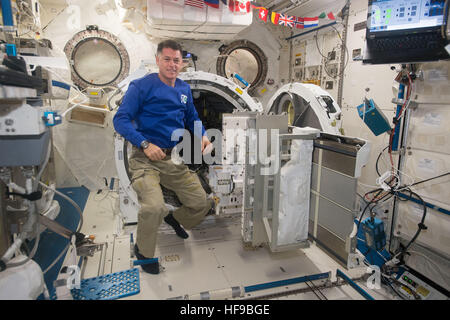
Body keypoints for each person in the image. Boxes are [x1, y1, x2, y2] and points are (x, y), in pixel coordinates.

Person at [113, 40, 214, 274]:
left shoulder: (183, 89)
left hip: (171, 159)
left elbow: (192, 118)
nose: (172, 64)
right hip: (145, 158)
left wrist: (202, 135)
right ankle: (144, 252)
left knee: (201, 203)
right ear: (157, 60)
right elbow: (120, 120)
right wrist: (144, 144)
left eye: (176, 60)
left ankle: (176, 218)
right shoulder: (141, 86)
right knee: (154, 207)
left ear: (182, 63)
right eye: (167, 59)